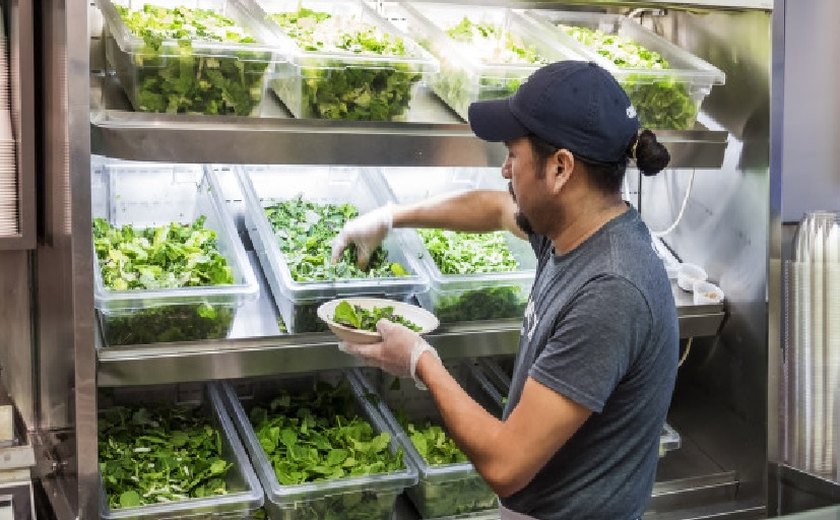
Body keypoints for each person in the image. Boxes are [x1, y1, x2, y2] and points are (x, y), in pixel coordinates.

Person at [332, 60, 678, 520]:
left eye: (513, 155)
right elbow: (494, 209)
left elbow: (505, 464)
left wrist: (419, 361)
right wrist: (391, 216)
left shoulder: (611, 291)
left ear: (560, 168)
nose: (505, 170)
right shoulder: (577, 225)